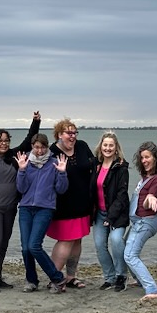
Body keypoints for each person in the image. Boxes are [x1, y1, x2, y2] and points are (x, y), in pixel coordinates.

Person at [0, 112, 41, 293]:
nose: (3, 143)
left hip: (10, 207)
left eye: (6, 140)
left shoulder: (13, 156)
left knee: (3, 243)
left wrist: (36, 122)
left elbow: (28, 141)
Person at [14, 134, 70, 292]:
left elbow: (61, 189)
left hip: (45, 209)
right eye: (36, 147)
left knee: (34, 246)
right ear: (32, 146)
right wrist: (22, 170)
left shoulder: (54, 163)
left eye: (43, 147)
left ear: (47, 146)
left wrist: (62, 172)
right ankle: (31, 280)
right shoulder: (26, 162)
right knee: (25, 248)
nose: (39, 150)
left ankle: (58, 278)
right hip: (25, 208)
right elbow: (21, 188)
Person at [47, 117, 95, 287]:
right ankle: (54, 278)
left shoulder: (82, 146)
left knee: (77, 240)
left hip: (84, 203)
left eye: (75, 132)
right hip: (63, 204)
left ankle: (70, 277)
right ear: (60, 134)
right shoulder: (52, 152)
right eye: (69, 133)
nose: (73, 136)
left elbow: (94, 165)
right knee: (66, 240)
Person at [124, 142, 157, 301]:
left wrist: (150, 199)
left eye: (147, 157)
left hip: (145, 222)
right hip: (137, 222)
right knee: (125, 248)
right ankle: (138, 278)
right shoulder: (145, 178)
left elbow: (151, 199)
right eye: (142, 157)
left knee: (130, 256)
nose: (144, 160)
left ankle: (152, 289)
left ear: (155, 158)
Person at [90, 131, 130, 291]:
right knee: (100, 245)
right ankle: (110, 277)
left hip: (117, 214)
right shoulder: (96, 165)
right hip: (99, 213)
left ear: (116, 148)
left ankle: (121, 276)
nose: (107, 148)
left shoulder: (121, 168)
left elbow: (122, 195)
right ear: (101, 146)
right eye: (105, 145)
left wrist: (111, 217)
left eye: (111, 145)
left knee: (116, 241)